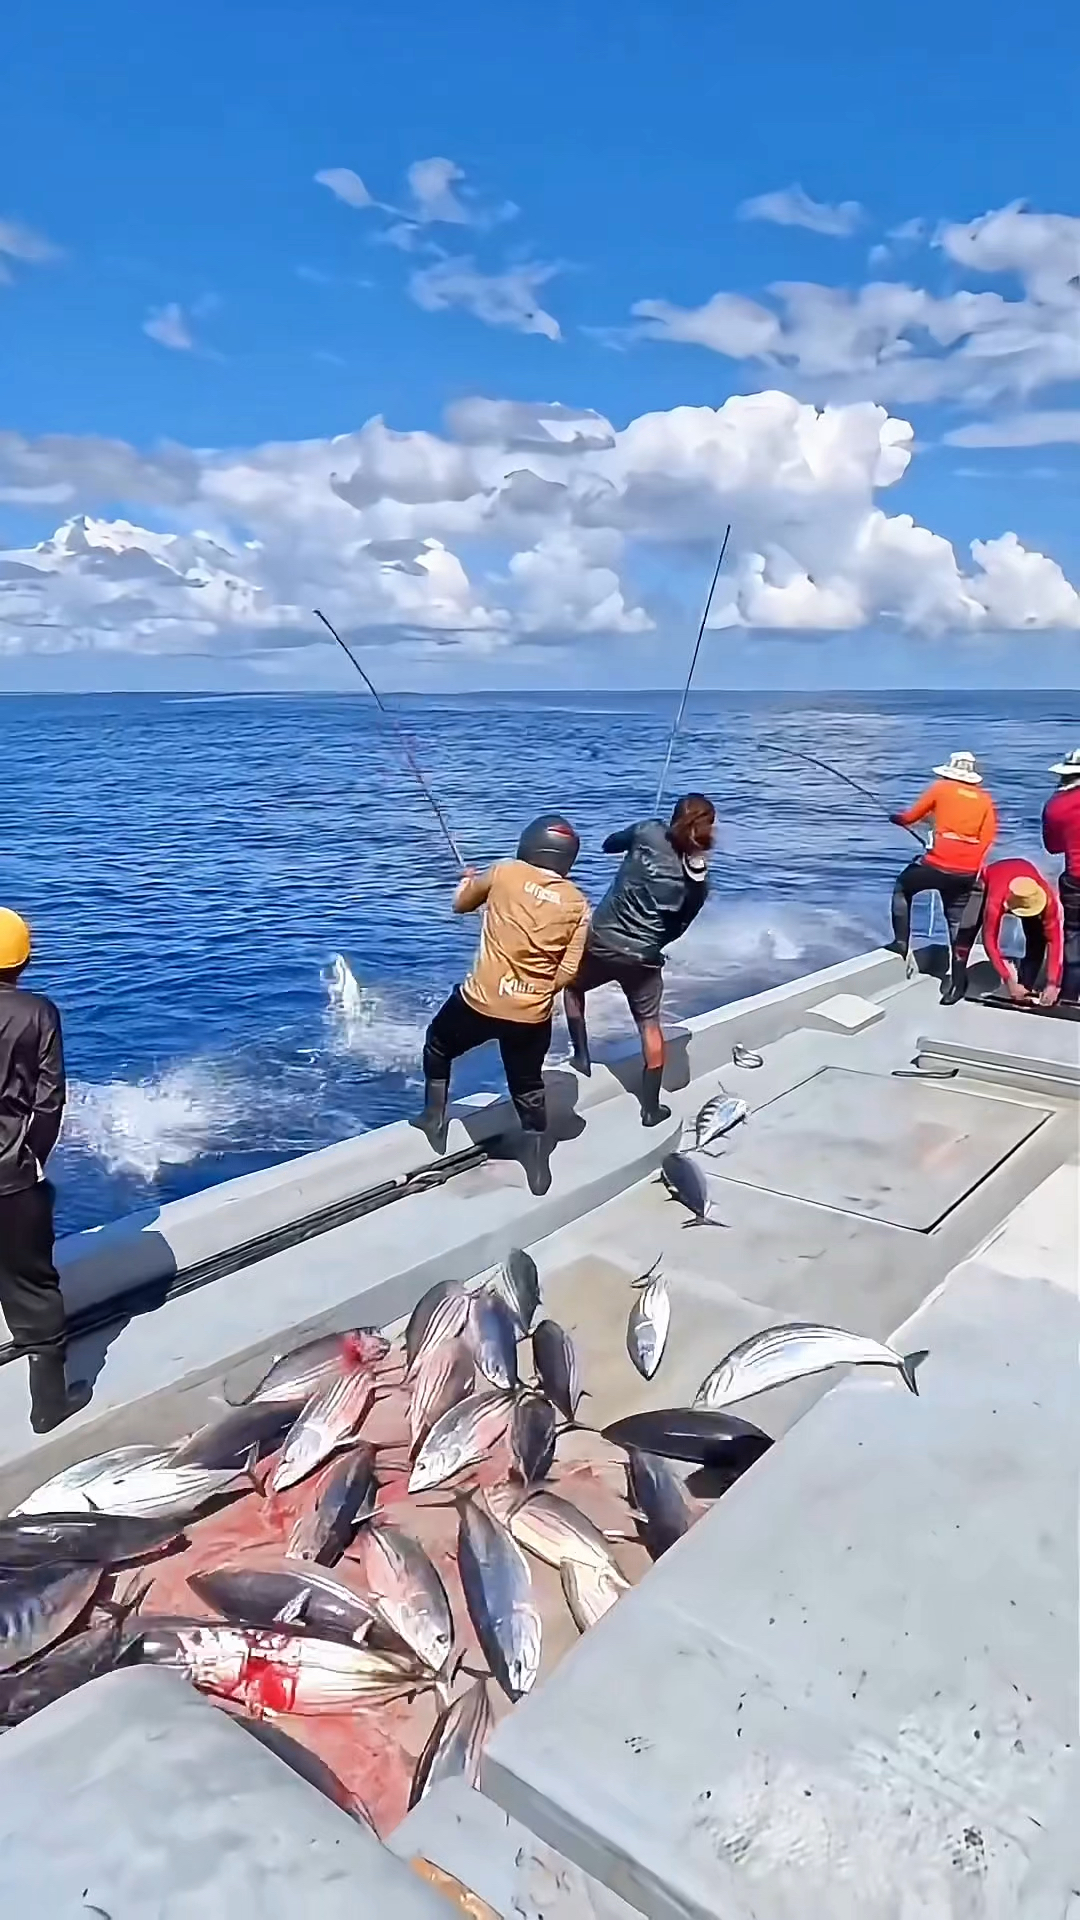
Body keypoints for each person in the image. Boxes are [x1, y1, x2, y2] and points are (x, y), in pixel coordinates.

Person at [413, 815, 590, 1196]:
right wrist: (534, 989)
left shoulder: (504, 872)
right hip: (532, 1015)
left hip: (480, 1002)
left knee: (438, 1044)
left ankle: (432, 1118)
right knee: (527, 1085)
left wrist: (467, 883)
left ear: (529, 844)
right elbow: (569, 971)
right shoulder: (577, 902)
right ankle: (538, 1167)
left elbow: (462, 905)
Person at [563, 794, 716, 1127]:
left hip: (601, 942)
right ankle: (650, 1109)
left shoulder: (647, 831)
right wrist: (651, 944)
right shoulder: (700, 884)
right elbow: (679, 927)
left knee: (573, 988)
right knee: (649, 1026)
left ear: (675, 817)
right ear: (707, 829)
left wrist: (634, 837)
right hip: (644, 959)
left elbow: (608, 844)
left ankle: (582, 1056)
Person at [0, 909, 88, 1433]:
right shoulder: (38, 1013)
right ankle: (48, 1403)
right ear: (24, 959)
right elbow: (49, 1099)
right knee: (35, 1284)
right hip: (12, 1177)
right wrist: (32, 1156)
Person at [889, 751, 997, 1000]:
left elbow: (910, 817)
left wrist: (897, 819)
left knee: (903, 888)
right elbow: (988, 838)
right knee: (955, 920)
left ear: (950, 770)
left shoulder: (941, 788)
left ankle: (902, 943)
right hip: (967, 872)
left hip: (936, 864)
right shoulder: (985, 800)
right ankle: (958, 982)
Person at [946, 859, 1063, 1007]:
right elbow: (989, 940)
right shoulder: (997, 899)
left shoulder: (1049, 899)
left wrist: (1053, 983)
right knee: (967, 930)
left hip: (1025, 885)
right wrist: (1008, 979)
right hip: (990, 880)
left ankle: (1026, 986)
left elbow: (1056, 941)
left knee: (1037, 938)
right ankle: (958, 983)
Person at [1042, 747, 1080, 1005]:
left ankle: (1069, 996)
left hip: (1075, 879)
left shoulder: (1055, 806)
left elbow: (1053, 847)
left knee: (1074, 936)